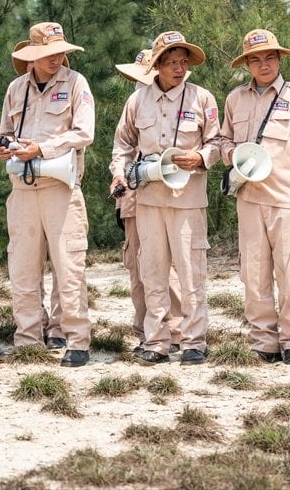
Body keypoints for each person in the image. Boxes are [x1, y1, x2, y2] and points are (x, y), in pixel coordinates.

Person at [110, 32, 220, 365]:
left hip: (188, 198)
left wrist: (200, 158)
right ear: (157, 65)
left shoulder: (202, 98)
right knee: (153, 272)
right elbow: (123, 146)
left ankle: (193, 341)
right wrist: (119, 174)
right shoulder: (137, 100)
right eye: (171, 62)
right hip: (148, 199)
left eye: (183, 61)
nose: (178, 67)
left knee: (190, 272)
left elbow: (218, 142)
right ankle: (156, 341)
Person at [219, 29, 290, 364]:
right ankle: (264, 341)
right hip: (249, 199)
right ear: (247, 63)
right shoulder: (236, 99)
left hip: (287, 198)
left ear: (279, 59)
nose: (263, 65)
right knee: (254, 272)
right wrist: (232, 152)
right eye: (255, 59)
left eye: (269, 57)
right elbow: (222, 140)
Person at [0, 22, 94, 367]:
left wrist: (42, 148)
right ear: (32, 57)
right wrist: (6, 148)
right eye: (49, 53)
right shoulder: (15, 88)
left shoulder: (76, 83)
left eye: (60, 52)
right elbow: (5, 132)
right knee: (22, 267)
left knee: (69, 267)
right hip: (22, 190)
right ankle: (27, 338)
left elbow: (84, 133)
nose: (57, 59)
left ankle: (77, 340)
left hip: (60, 188)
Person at [113, 48, 183, 353]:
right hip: (133, 196)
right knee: (139, 265)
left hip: (166, 193)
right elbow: (123, 147)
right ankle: (146, 329)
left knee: (166, 268)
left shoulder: (178, 103)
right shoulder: (136, 104)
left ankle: (176, 330)